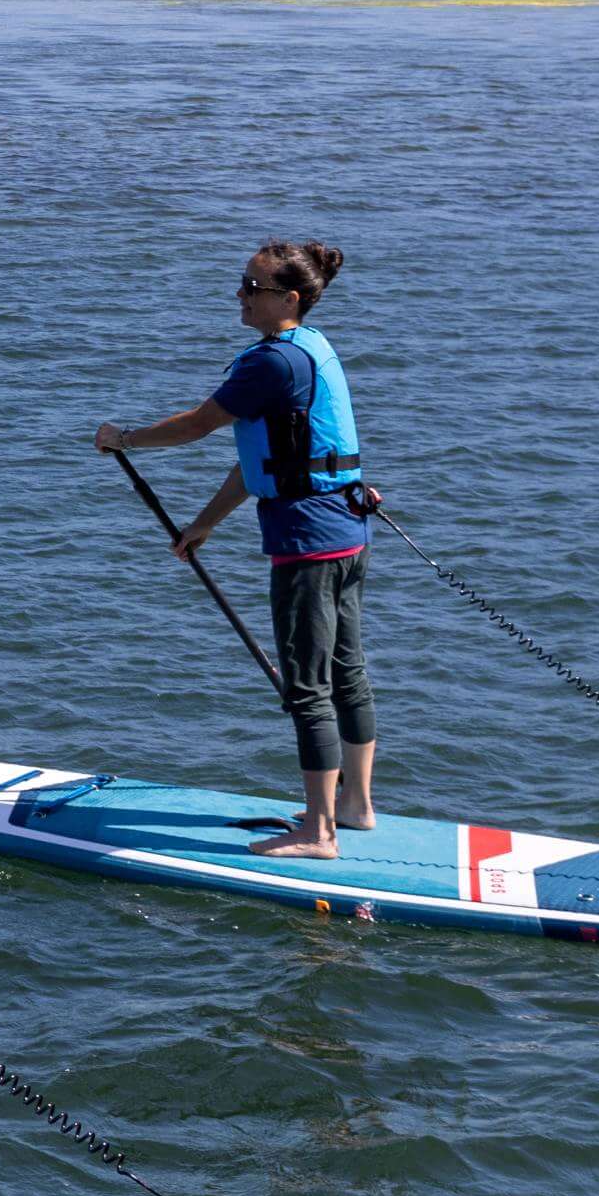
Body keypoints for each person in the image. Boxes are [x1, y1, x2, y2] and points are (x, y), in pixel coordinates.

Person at [93, 240, 378, 856]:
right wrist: (204, 524)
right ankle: (355, 806)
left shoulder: (268, 364)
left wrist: (124, 438)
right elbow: (265, 461)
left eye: (253, 287)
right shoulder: (314, 348)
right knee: (346, 672)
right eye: (242, 282)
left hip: (307, 543)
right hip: (348, 535)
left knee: (306, 685)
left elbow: (198, 425)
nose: (241, 296)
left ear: (290, 298)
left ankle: (319, 832)